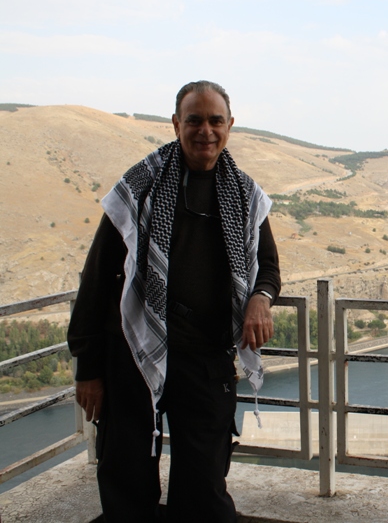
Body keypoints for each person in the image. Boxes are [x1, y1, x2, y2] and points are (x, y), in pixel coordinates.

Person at [68, 80, 281, 522]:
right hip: (132, 357)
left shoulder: (246, 195)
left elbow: (269, 268)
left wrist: (260, 298)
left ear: (230, 125)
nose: (206, 130)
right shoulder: (137, 188)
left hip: (206, 359)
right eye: (195, 120)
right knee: (127, 482)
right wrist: (88, 368)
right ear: (176, 124)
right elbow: (95, 279)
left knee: (203, 490)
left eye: (215, 120)